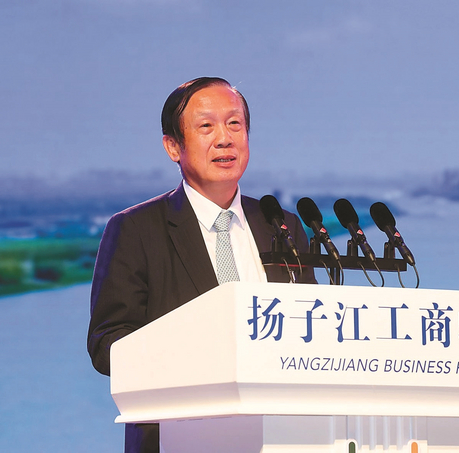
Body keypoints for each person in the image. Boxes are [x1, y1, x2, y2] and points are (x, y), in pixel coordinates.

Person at [87, 77, 316, 453]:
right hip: (177, 436)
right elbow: (107, 344)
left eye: (234, 124)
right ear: (173, 146)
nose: (225, 139)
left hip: (282, 436)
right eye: (206, 126)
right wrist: (198, 357)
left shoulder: (282, 225)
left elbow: (311, 326)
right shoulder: (135, 229)